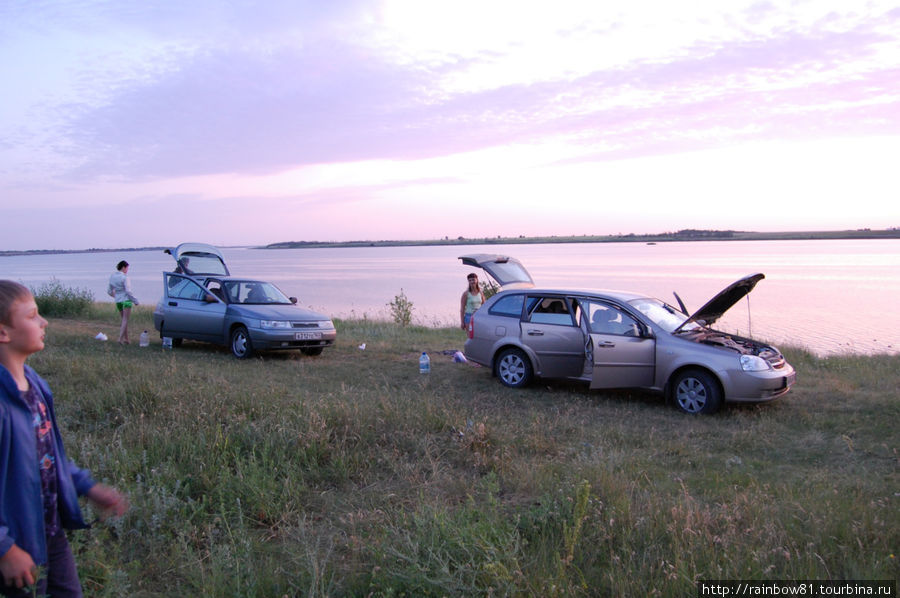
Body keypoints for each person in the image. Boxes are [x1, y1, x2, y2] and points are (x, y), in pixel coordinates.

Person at [0, 280, 128, 597]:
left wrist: (88, 487)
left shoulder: (35, 385)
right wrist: (5, 549)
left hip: (49, 531)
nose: (44, 322)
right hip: (16, 543)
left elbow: (47, 456)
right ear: (3, 332)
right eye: (32, 316)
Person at [107, 260, 139, 344]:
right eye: (127, 268)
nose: (127, 270)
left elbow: (109, 291)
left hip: (118, 301)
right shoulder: (125, 278)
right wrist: (135, 300)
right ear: (124, 267)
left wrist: (115, 296)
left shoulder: (112, 277)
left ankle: (126, 339)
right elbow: (128, 291)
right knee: (125, 320)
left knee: (124, 321)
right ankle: (120, 339)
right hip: (126, 300)